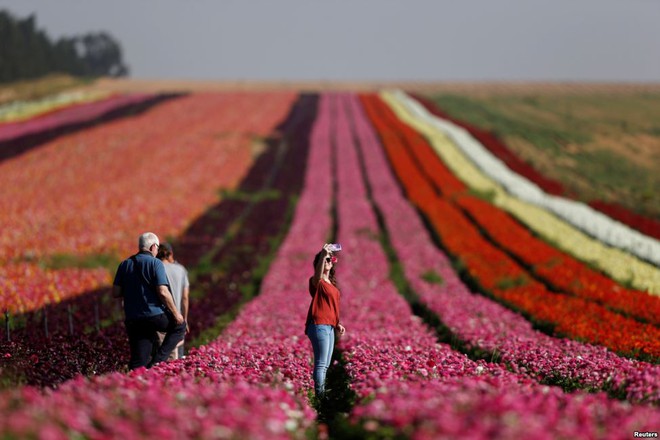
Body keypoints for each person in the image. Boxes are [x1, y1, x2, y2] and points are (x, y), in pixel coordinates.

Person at [112, 232, 186, 370]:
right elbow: (163, 292)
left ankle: (134, 381)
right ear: (152, 247)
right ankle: (157, 362)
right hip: (154, 315)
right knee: (179, 326)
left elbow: (115, 292)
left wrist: (133, 290)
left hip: (133, 318)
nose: (157, 251)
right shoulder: (155, 263)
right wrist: (176, 313)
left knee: (139, 361)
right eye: (157, 248)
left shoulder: (125, 264)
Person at [305, 243, 346, 397]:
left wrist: (337, 323)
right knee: (321, 365)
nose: (329, 262)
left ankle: (321, 395)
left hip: (329, 326)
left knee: (326, 364)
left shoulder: (331, 284)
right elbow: (318, 274)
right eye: (326, 260)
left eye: (330, 260)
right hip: (319, 325)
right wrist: (323, 254)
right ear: (319, 264)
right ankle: (320, 397)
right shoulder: (317, 282)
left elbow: (331, 306)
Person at [156, 242, 190, 360]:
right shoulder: (181, 270)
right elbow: (185, 297)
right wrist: (184, 319)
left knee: (159, 353)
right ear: (170, 254)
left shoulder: (154, 267)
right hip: (177, 318)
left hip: (159, 316)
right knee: (174, 355)